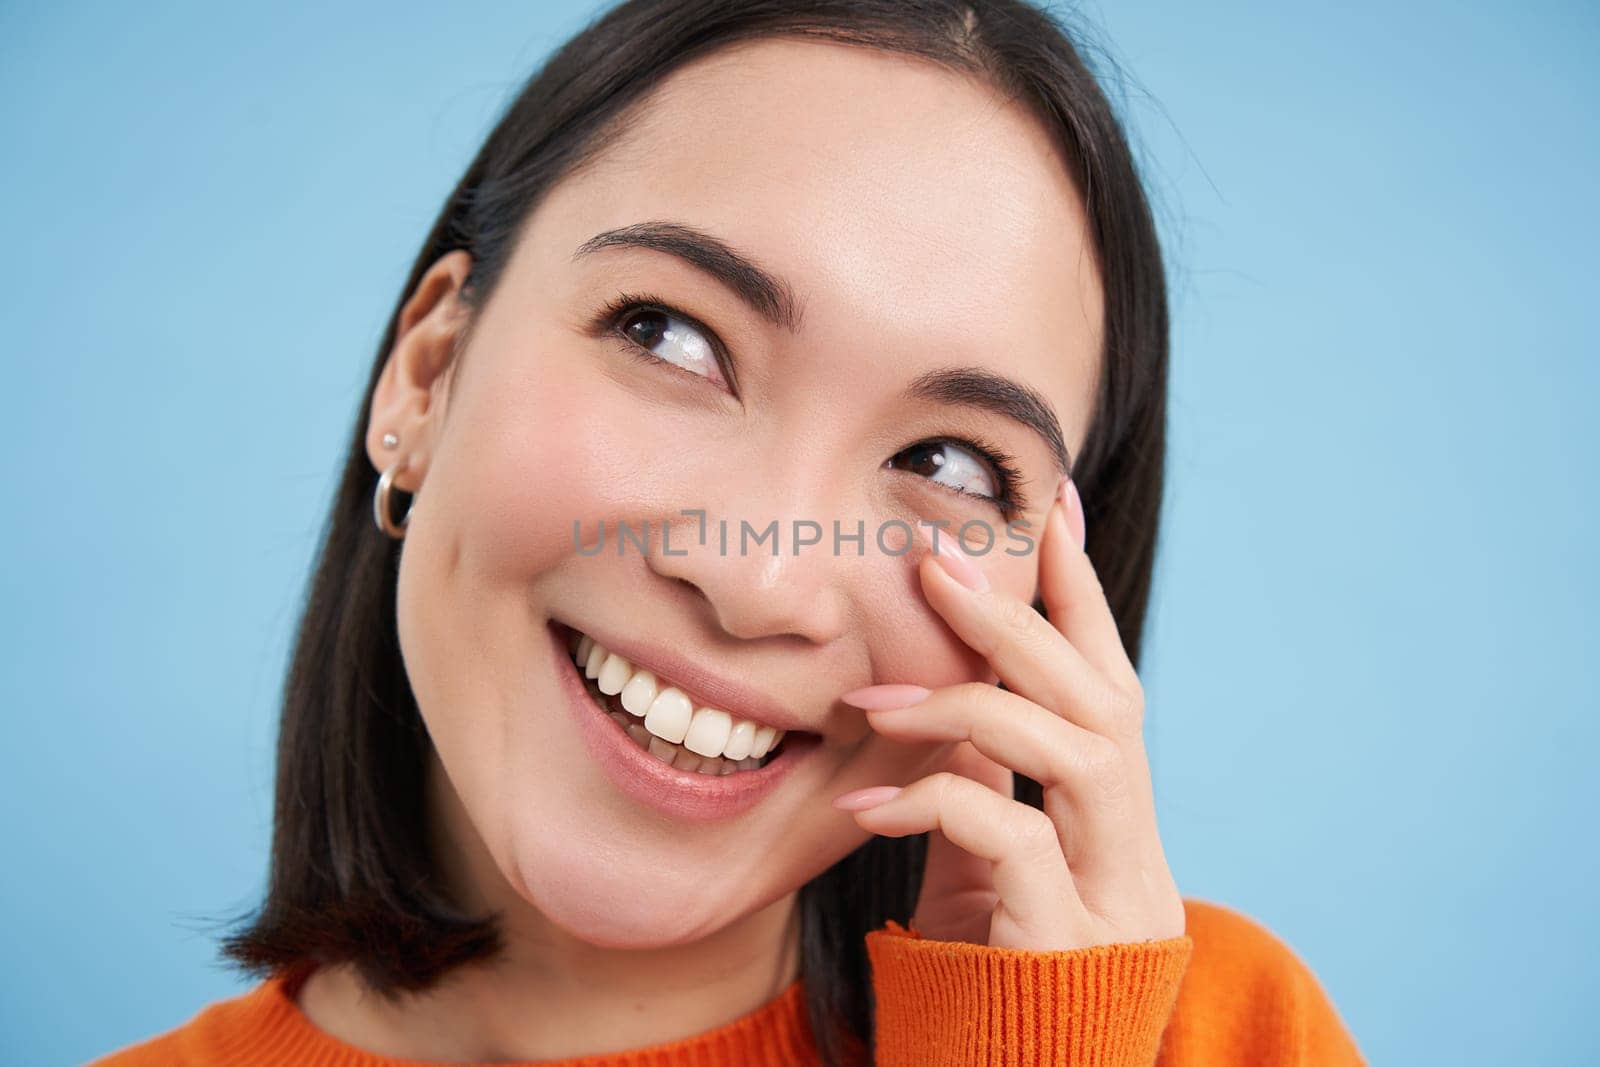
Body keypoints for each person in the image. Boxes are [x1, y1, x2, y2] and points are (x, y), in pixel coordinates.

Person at [91, 1, 1365, 1063]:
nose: (761, 581)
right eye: (670, 335)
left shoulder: (1213, 1035)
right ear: (426, 376)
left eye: (946, 461)